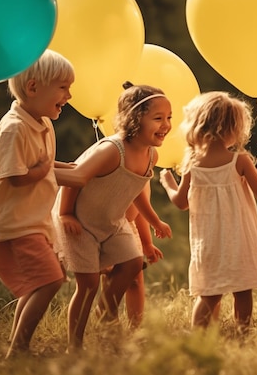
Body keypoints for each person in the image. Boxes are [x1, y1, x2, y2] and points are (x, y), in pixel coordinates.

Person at [54, 82, 173, 351]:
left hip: (111, 221)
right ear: (134, 119)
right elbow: (75, 178)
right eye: (158, 118)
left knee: (132, 263)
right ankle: (75, 345)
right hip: (79, 222)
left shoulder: (150, 155)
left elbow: (135, 191)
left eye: (169, 118)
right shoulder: (112, 150)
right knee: (88, 284)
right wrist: (65, 214)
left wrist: (155, 221)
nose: (166, 125)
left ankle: (106, 314)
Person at [0, 49, 74, 358]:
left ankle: (16, 346)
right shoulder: (14, 127)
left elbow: (39, 162)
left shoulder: (41, 121)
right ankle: (18, 349)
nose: (69, 95)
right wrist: (46, 170)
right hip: (10, 223)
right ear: (33, 88)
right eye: (62, 87)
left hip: (29, 221)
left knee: (39, 283)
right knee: (51, 280)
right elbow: (15, 176)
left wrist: (66, 167)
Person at [159, 91, 257, 330]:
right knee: (242, 290)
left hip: (209, 242)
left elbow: (181, 202)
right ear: (231, 129)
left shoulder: (193, 165)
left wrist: (169, 184)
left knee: (209, 294)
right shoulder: (239, 160)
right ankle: (243, 333)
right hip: (240, 239)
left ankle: (199, 338)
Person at [101, 203, 163, 329]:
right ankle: (109, 320)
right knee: (111, 277)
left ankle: (135, 326)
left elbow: (141, 210)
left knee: (135, 280)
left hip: (129, 229)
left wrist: (147, 243)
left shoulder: (145, 183)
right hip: (110, 227)